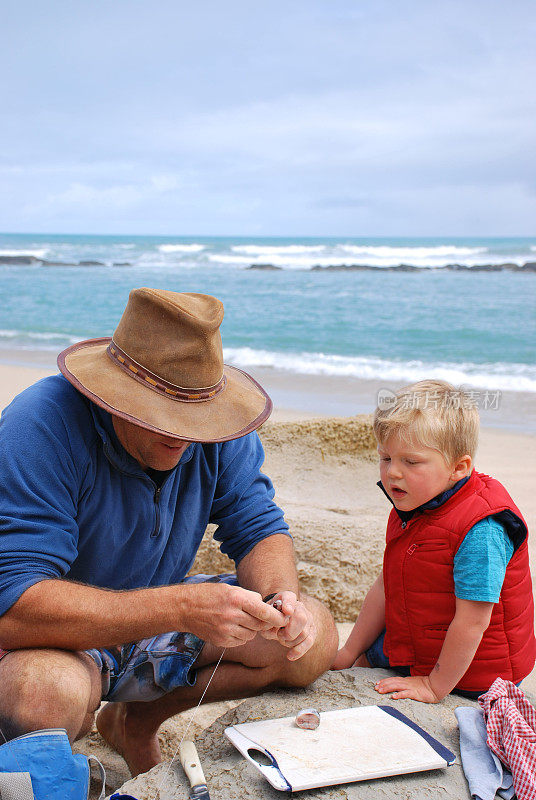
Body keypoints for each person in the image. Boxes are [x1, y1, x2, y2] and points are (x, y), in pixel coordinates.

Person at [0, 287, 337, 777]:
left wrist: (280, 598)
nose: (184, 434)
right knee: (42, 696)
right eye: (164, 415)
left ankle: (136, 721)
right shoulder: (40, 424)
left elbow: (260, 526)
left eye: (195, 417)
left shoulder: (219, 429)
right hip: (57, 637)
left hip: (153, 619)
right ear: (113, 396)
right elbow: (13, 605)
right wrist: (179, 607)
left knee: (314, 636)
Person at [332, 379, 535, 703]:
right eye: (386, 458)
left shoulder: (480, 530)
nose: (393, 473)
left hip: (477, 670)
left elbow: (473, 621)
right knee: (356, 663)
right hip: (422, 635)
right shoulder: (414, 505)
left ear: (459, 467)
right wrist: (349, 650)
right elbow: (388, 586)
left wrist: (433, 686)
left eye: (410, 462)